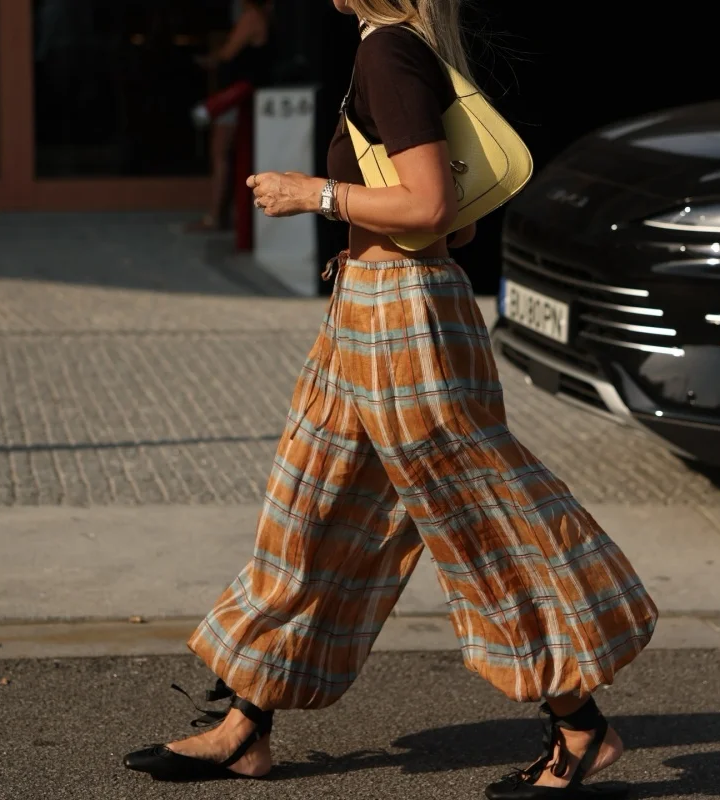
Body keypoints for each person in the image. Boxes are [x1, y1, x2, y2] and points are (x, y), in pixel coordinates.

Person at [124, 2, 658, 797]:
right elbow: (456, 224)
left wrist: (315, 195)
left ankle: (580, 725)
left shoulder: (392, 55)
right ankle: (244, 728)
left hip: (404, 321)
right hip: (369, 310)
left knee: (479, 521)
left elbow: (431, 207)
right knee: (308, 515)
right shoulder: (397, 49)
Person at [187, 0, 274, 233]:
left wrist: (210, 57)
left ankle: (216, 216)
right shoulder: (261, 17)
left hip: (235, 97)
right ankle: (225, 215)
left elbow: (227, 53)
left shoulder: (251, 18)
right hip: (241, 97)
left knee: (220, 154)